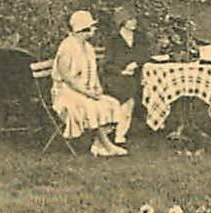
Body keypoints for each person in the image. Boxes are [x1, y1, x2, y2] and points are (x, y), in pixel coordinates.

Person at [51, 9, 131, 157]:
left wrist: (97, 88)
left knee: (110, 103)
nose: (94, 29)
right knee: (90, 105)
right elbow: (67, 78)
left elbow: (93, 74)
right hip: (66, 92)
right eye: (92, 27)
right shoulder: (67, 47)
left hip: (85, 90)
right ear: (83, 29)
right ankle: (107, 145)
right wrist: (87, 93)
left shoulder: (88, 48)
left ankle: (98, 144)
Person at [100, 8, 151, 144]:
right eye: (130, 19)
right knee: (127, 93)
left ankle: (118, 130)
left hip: (138, 75)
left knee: (138, 88)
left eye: (134, 19)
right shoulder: (114, 41)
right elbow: (107, 64)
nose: (134, 22)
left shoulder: (140, 37)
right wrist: (122, 71)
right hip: (116, 77)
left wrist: (136, 64)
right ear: (121, 22)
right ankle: (119, 132)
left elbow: (146, 55)